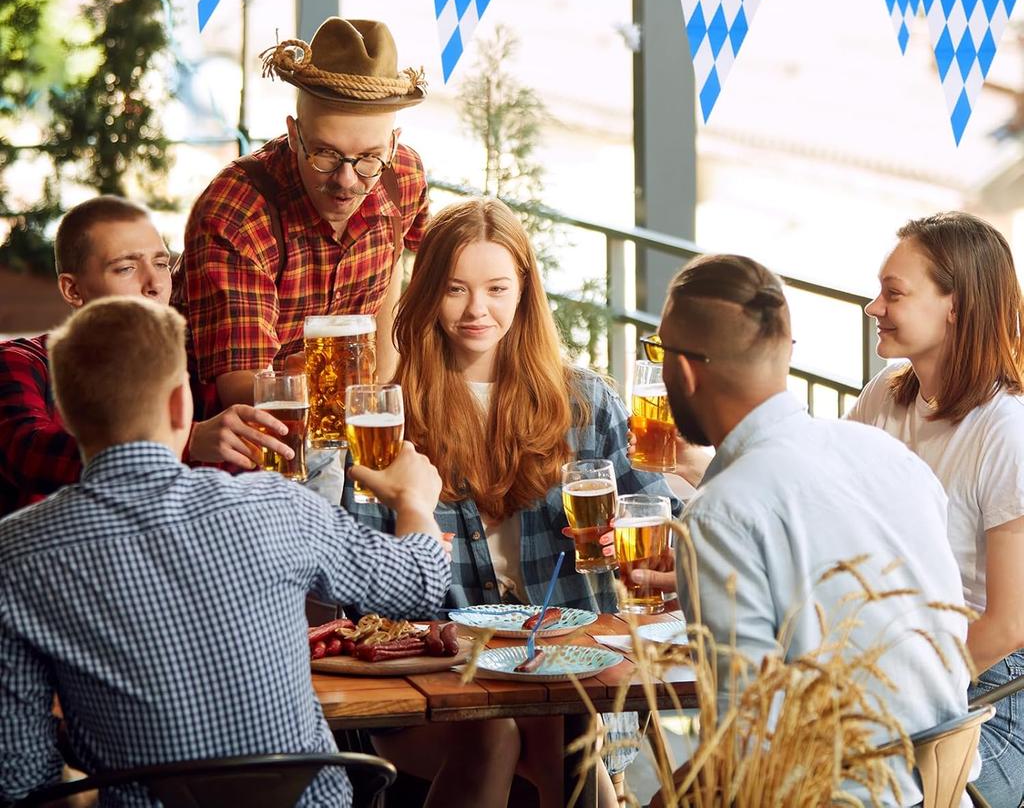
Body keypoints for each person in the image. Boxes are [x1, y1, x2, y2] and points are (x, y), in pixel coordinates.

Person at [0, 295, 450, 807]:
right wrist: (413, 502)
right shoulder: (274, 504)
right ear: (181, 404)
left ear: (68, 415)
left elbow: (19, 779)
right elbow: (420, 585)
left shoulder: (15, 554)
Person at [344, 198, 681, 808]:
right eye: (455, 289)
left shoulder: (585, 401)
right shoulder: (387, 419)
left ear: (525, 292)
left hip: (566, 666)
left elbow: (666, 532)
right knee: (509, 729)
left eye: (497, 289)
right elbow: (371, 597)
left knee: (560, 718)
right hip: (438, 676)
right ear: (427, 295)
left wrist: (633, 546)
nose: (478, 309)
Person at [653, 253, 970, 807]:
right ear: (783, 355)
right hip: (949, 792)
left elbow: (745, 749)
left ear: (684, 371)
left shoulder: (720, 514)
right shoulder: (890, 455)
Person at [847, 212, 1024, 807]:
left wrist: (890, 695)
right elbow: (820, 498)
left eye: (893, 293)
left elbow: (1009, 626)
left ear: (956, 306)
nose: (874, 307)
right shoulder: (885, 396)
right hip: (896, 665)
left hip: (991, 698)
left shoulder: (1006, 432)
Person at [171, 17, 429, 416]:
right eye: (325, 153)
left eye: (368, 158)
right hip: (220, 430)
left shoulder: (404, 177)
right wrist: (335, 386)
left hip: (346, 420)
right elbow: (242, 389)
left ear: (393, 146)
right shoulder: (237, 213)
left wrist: (377, 399)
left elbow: (395, 260)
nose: (346, 180)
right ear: (294, 134)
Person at [0, 196, 298, 518]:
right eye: (126, 268)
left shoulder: (194, 370)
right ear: (73, 290)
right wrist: (187, 440)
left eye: (161, 264)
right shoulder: (20, 362)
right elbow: (26, 451)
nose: (155, 284)